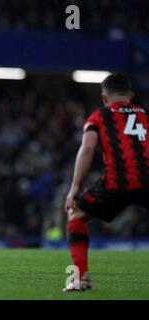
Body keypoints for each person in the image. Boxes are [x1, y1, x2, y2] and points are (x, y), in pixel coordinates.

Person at [64, 73, 149, 291]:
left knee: (76, 216)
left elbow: (88, 149)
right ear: (131, 95)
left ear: (104, 97)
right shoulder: (146, 116)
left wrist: (74, 188)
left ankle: (81, 279)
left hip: (117, 182)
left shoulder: (99, 116)